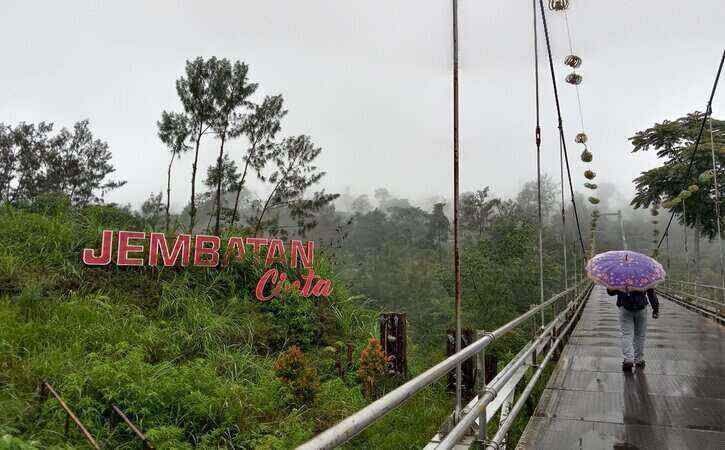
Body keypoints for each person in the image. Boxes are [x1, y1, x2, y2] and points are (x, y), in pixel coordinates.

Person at [606, 288, 660, 372]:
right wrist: (655, 309)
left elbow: (611, 292)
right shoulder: (644, 275)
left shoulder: (621, 276)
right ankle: (639, 359)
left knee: (626, 334)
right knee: (640, 335)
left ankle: (628, 358)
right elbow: (651, 293)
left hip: (625, 307)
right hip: (641, 307)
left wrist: (612, 287)